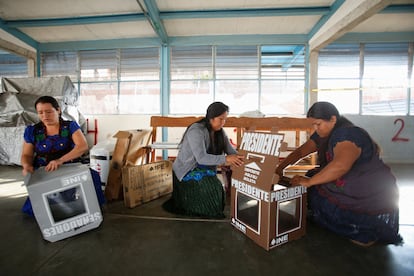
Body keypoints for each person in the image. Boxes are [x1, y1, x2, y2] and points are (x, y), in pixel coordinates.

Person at [275, 101, 402, 246]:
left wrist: (308, 182)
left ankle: (364, 231)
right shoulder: (324, 134)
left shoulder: (348, 134)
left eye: (318, 124)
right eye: (313, 125)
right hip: (352, 185)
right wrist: (280, 168)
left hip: (368, 193)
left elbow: (341, 165)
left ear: (333, 119)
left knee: (312, 189)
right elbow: (301, 151)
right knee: (311, 176)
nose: (316, 129)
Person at [21, 96, 105, 216]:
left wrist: (60, 160)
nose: (45, 116)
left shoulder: (70, 126)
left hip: (69, 166)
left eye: (49, 111)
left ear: (58, 110)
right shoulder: (33, 131)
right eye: (40, 112)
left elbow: (82, 146)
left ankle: (94, 209)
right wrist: (26, 165)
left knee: (93, 177)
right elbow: (26, 154)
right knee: (38, 211)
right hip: (44, 169)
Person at [163, 102, 244, 218]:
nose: (223, 123)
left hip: (204, 168)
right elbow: (201, 158)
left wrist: (242, 158)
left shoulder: (220, 132)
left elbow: (231, 151)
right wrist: (226, 159)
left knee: (215, 186)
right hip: (187, 170)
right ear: (211, 117)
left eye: (225, 119)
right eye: (221, 119)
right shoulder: (196, 131)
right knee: (213, 187)